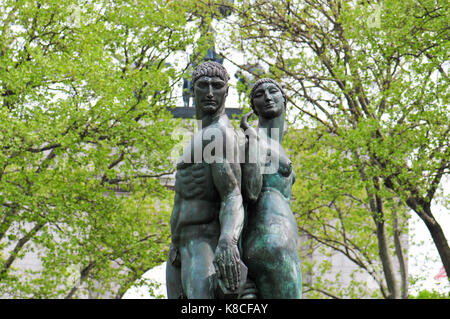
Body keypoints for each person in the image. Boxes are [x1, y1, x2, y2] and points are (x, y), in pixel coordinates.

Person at [166, 61, 245, 299]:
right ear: (192, 90)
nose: (210, 93)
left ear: (227, 91)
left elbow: (232, 195)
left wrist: (227, 241)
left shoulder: (217, 134)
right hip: (179, 247)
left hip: (202, 244)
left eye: (217, 86)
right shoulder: (201, 135)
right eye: (203, 86)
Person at [240, 78, 302, 298]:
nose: (266, 97)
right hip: (272, 243)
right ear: (253, 108)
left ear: (284, 100)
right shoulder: (254, 141)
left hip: (281, 240)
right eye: (259, 94)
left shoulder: (275, 144)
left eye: (272, 91)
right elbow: (247, 193)